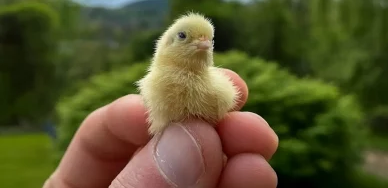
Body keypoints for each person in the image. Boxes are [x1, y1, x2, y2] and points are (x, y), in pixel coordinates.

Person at [43, 69, 279, 188]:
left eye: (209, 39)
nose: (203, 43)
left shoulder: (212, 85)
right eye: (186, 37)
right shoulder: (162, 81)